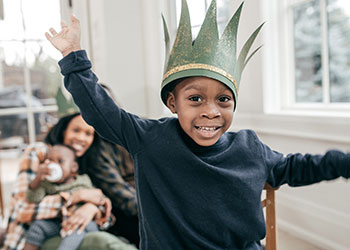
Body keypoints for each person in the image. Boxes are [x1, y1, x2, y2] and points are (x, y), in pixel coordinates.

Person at [45, 0, 350, 249]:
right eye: (195, 99)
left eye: (224, 100)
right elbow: (101, 111)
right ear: (172, 103)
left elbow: (299, 167)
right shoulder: (149, 139)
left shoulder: (250, 147)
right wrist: (73, 56)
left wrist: (344, 162)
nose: (211, 111)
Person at [4, 113, 138, 250]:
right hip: (30, 237)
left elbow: (107, 217)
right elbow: (22, 210)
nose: (81, 138)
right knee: (103, 242)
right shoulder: (40, 152)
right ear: (64, 131)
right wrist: (75, 198)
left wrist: (92, 209)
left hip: (73, 230)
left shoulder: (84, 164)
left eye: (88, 134)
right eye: (76, 130)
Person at [24, 144, 100, 250]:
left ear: (74, 167)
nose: (54, 165)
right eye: (50, 160)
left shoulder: (83, 181)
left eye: (60, 161)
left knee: (74, 230)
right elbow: (33, 198)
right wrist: (38, 178)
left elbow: (97, 199)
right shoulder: (46, 183)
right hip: (58, 224)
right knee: (37, 226)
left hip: (81, 223)